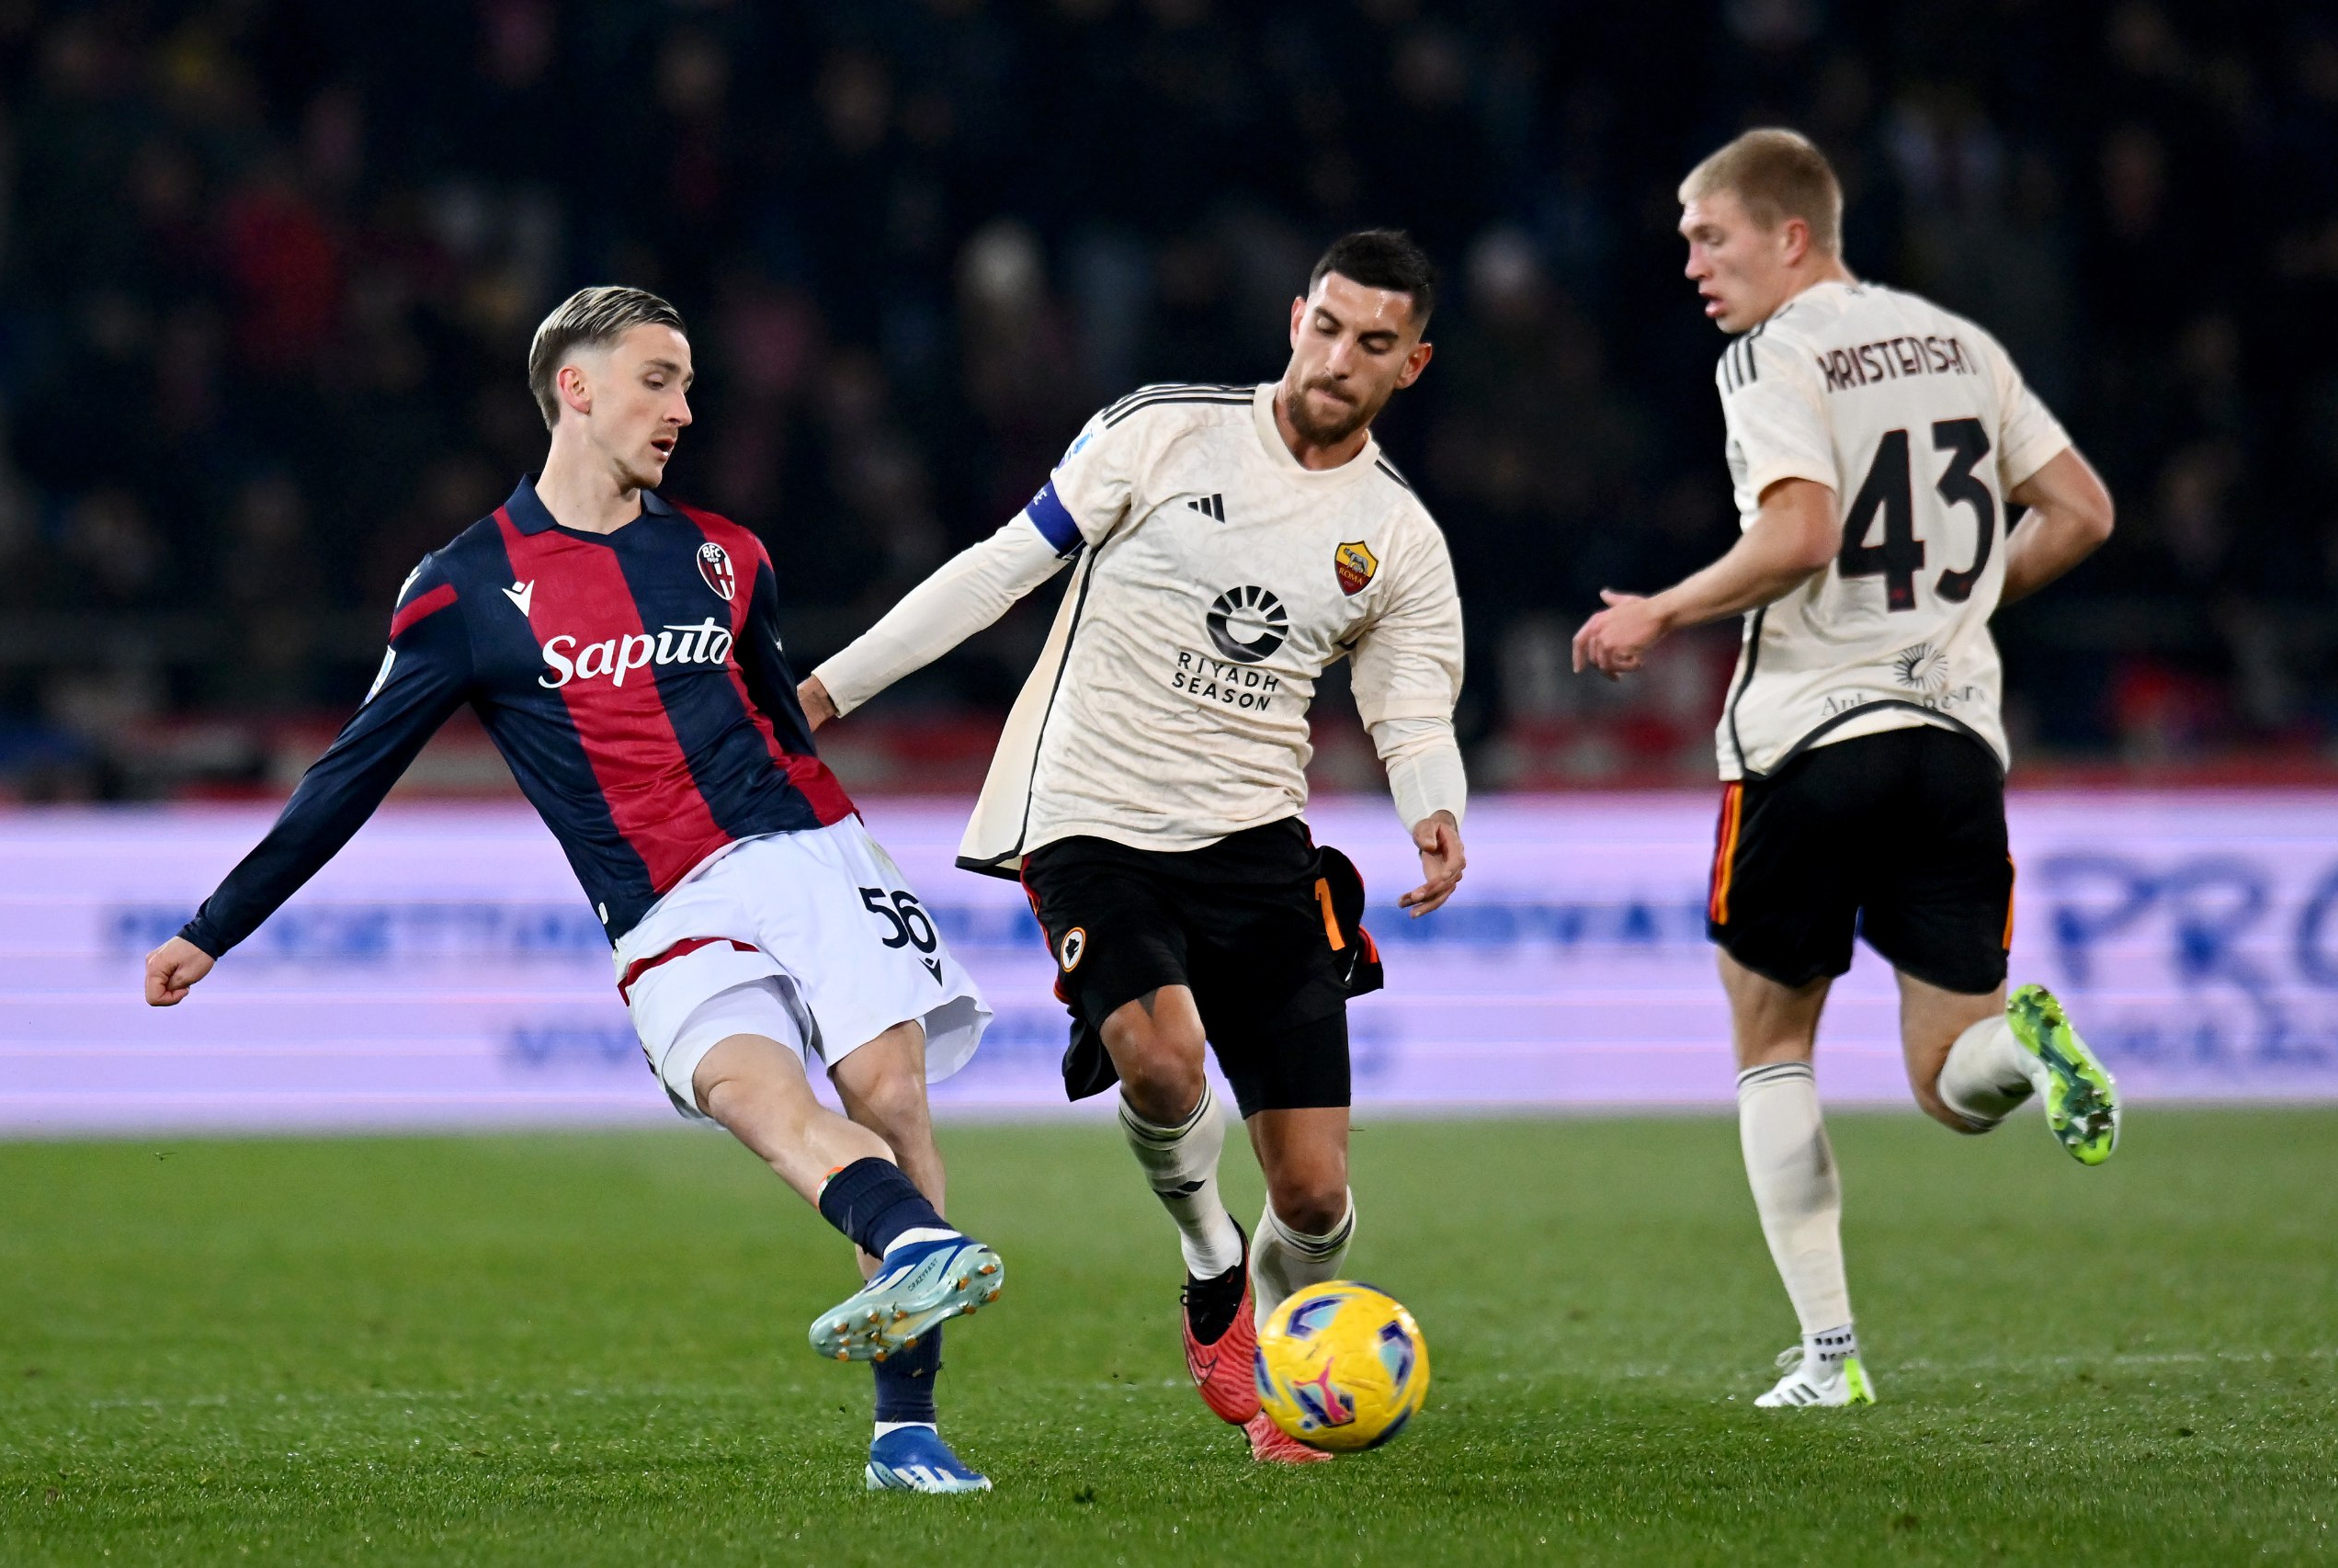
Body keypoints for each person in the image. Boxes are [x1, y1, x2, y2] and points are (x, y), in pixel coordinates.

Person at [142, 287, 1004, 1492]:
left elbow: (782, 701)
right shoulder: (462, 590)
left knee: (889, 1098)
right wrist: (213, 926)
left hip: (806, 849)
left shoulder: (725, 555)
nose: (683, 409)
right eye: (659, 378)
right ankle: (912, 1238)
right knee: (761, 1103)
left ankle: (904, 1426)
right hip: (661, 910)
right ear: (575, 387)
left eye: (692, 384)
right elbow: (352, 771)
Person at [800, 230, 1468, 1462]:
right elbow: (1001, 568)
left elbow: (1410, 700)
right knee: (1161, 1062)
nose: (1338, 359)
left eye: (1374, 343)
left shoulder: (1398, 536)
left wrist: (1433, 799)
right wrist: (833, 687)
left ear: (1410, 364)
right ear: (1293, 317)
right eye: (1327, 326)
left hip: (1260, 841)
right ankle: (1211, 1257)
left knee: (1316, 1195)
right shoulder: (1161, 430)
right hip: (1092, 815)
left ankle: (1276, 1376)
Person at [1573, 130, 2122, 1408]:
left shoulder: (1769, 353)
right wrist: (1965, 613)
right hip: (1954, 743)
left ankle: (1830, 1356)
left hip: (1811, 736)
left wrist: (1660, 607)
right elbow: (2084, 510)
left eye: (1711, 236)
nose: (1694, 263)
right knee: (1953, 1076)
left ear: (1791, 234)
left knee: (1772, 1038)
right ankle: (2035, 1059)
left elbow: (1800, 529)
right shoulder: (1961, 344)